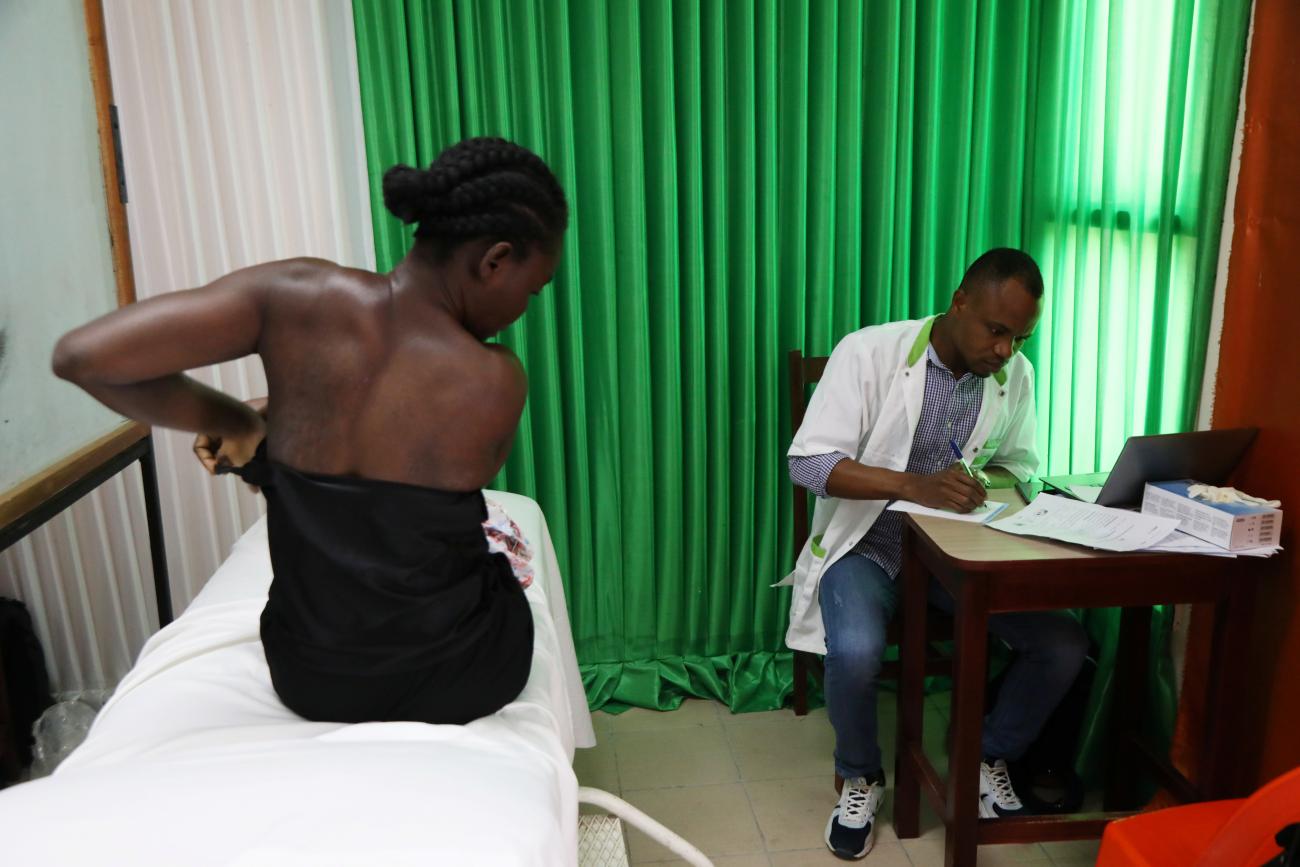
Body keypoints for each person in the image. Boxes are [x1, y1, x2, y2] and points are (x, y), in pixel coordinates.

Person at [52, 137, 568, 726]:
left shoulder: (291, 295)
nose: (525, 306)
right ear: (494, 259)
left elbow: (83, 356)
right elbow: (399, 467)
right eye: (533, 288)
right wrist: (271, 412)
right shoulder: (496, 378)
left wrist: (234, 419)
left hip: (313, 678)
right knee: (499, 576)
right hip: (461, 676)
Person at [781, 248, 1089, 860]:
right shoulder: (868, 352)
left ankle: (986, 756)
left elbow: (1016, 464)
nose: (1006, 351)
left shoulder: (1012, 376)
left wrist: (989, 485)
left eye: (1020, 338)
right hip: (868, 546)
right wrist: (913, 485)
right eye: (997, 331)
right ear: (959, 302)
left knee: (1064, 645)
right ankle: (861, 775)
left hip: (955, 555)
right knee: (859, 650)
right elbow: (808, 463)